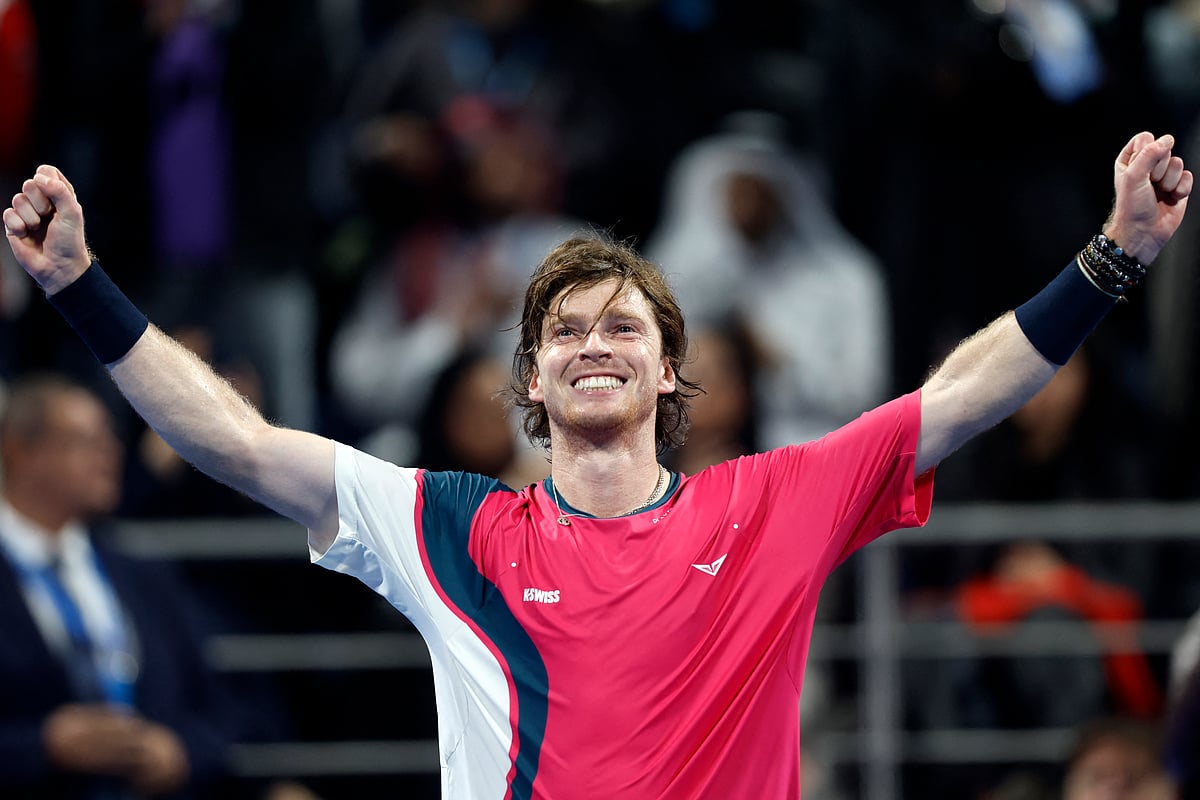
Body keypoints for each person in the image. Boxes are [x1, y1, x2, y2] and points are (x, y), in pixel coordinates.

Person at [2, 130, 1190, 798]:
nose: (593, 343)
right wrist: (79, 288)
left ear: (669, 372)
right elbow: (240, 442)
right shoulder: (453, 527)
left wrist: (1115, 256)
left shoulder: (768, 499)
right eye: (563, 330)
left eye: (624, 326)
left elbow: (961, 396)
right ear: (530, 380)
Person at [0, 372, 239, 798]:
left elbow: (219, 711)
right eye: (83, 441)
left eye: (109, 439)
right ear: (20, 451)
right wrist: (40, 747)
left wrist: (180, 752)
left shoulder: (142, 573)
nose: (109, 455)